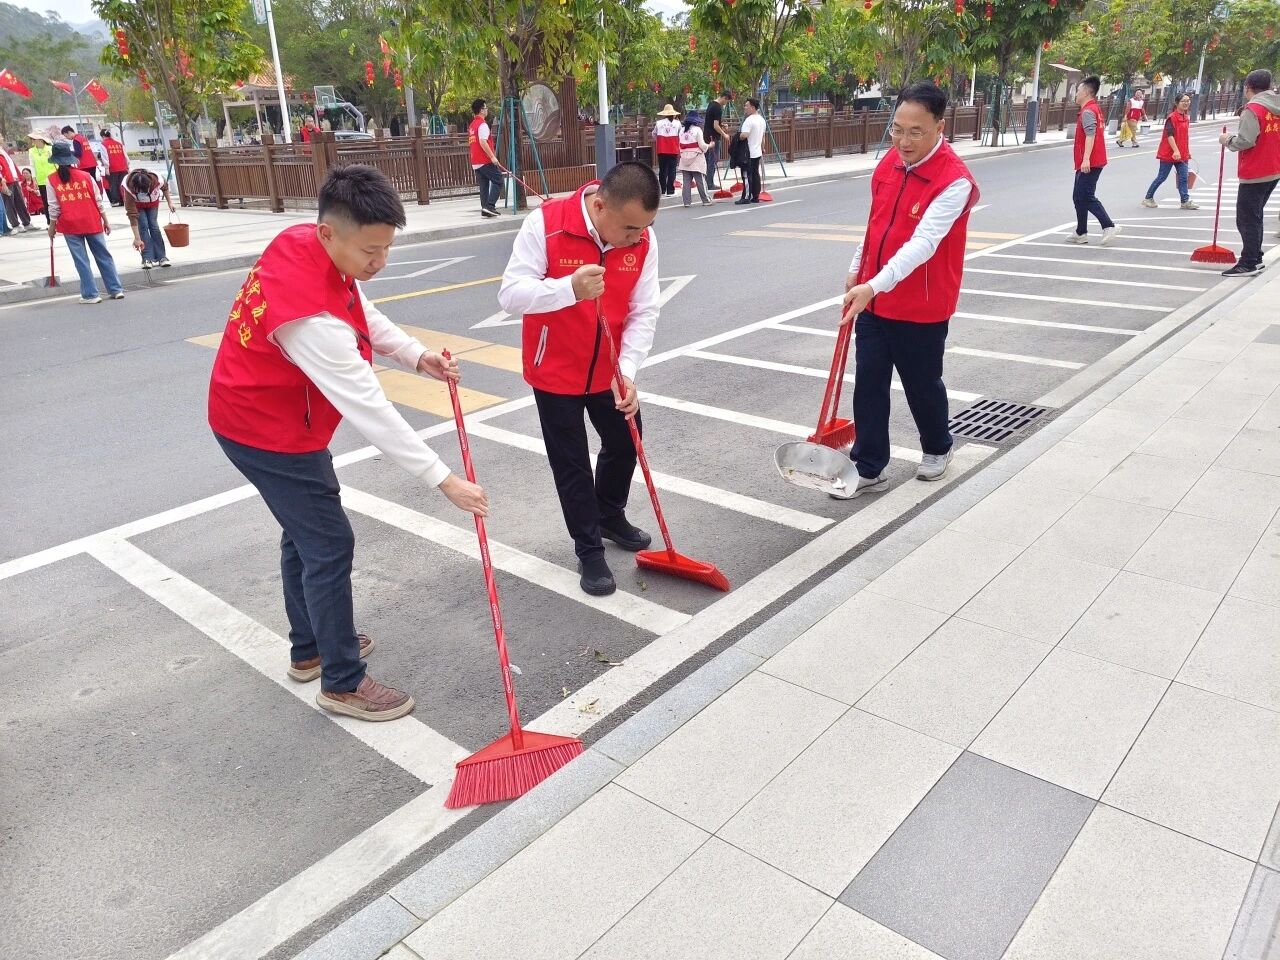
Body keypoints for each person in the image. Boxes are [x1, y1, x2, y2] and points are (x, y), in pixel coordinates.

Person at [207, 164, 489, 721]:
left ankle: (311, 647)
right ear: (331, 232)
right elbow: (372, 409)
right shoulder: (309, 318)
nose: (378, 263)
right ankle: (341, 680)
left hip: (269, 417)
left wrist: (413, 353)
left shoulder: (305, 242)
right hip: (265, 430)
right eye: (370, 252)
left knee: (305, 536)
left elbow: (358, 307)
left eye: (386, 249)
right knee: (328, 544)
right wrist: (445, 480)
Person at [497, 162, 661, 597]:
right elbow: (511, 294)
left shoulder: (643, 238)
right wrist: (567, 288)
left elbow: (645, 309)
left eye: (643, 229)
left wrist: (626, 371)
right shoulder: (546, 225)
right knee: (570, 462)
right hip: (554, 369)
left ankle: (609, 513)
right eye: (628, 228)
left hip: (609, 369)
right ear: (600, 205)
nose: (635, 237)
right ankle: (588, 548)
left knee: (627, 440)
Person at [839, 81, 980, 497]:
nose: (903, 140)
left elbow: (923, 244)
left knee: (922, 382)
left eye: (915, 132)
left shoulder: (954, 181)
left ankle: (938, 446)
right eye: (897, 129)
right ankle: (869, 465)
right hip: (875, 298)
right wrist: (856, 270)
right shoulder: (889, 164)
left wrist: (872, 284)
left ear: (940, 126)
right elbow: (875, 222)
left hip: (922, 303)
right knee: (869, 382)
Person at [45, 140, 124, 304]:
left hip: (70, 225)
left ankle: (91, 295)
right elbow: (98, 200)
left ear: (55, 161)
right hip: (92, 221)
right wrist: (106, 221)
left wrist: (52, 228)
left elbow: (54, 208)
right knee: (104, 256)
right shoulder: (85, 176)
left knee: (81, 261)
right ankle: (116, 290)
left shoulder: (51, 180)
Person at [1219, 69, 1280, 278]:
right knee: (1254, 216)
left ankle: (1248, 262)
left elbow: (1246, 140)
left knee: (1246, 218)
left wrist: (1227, 140)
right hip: (1273, 168)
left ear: (1248, 87)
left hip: (1255, 171)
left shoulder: (1253, 108)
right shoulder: (1276, 107)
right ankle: (1256, 257)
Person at [1066, 76, 1121, 246]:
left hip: (1091, 161)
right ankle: (1081, 232)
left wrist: (1086, 159)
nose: (1076, 94)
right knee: (1078, 196)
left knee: (1086, 196)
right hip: (1090, 160)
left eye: (1078, 90)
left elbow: (1091, 135)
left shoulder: (1088, 111)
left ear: (1086, 92)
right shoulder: (1092, 109)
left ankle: (1108, 226)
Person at [1141, 94, 1198, 210]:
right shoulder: (1172, 118)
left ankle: (1185, 201)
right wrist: (1176, 151)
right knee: (1162, 177)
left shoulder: (1186, 118)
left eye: (1188, 101)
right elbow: (1170, 136)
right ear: (1177, 103)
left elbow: (1184, 137)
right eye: (1183, 101)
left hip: (1182, 154)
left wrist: (1186, 152)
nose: (1186, 103)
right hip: (1169, 153)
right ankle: (1148, 198)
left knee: (1183, 177)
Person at [123, 167, 175, 268]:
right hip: (138, 206)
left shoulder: (157, 180)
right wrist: (137, 238)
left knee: (154, 227)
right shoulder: (128, 187)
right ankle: (147, 258)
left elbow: (165, 187)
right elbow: (131, 214)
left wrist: (170, 203)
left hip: (153, 204)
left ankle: (162, 257)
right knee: (143, 226)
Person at [468, 98, 502, 218]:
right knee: (498, 180)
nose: (487, 110)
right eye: (485, 108)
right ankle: (490, 206)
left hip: (475, 161)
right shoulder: (482, 125)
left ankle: (485, 209)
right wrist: (492, 157)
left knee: (484, 185)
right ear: (482, 110)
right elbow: (483, 142)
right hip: (484, 160)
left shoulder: (472, 125)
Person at [677, 115, 713, 207]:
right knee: (700, 180)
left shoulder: (681, 130)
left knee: (686, 182)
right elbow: (702, 146)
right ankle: (706, 200)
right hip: (696, 158)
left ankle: (686, 202)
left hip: (684, 157)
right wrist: (710, 145)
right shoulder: (697, 130)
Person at [736, 98, 766, 204]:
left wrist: (737, 137)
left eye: (746, 106)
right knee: (755, 174)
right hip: (757, 152)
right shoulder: (762, 120)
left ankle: (746, 197)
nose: (744, 108)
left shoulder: (749, 120)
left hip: (747, 153)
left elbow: (744, 135)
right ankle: (755, 196)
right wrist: (762, 148)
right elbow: (763, 137)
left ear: (753, 107)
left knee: (746, 175)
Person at [0, 142, 33, 232]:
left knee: (20, 202)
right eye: (0, 136)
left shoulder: (3, 150)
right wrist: (2, 182)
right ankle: (15, 225)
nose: (2, 138)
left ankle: (26, 223)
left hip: (14, 179)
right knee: (9, 204)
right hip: (6, 182)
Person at [703, 90, 732, 188]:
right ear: (724, 98)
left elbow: (712, 122)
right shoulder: (718, 107)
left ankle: (706, 182)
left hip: (706, 136)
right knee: (713, 159)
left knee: (707, 159)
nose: (726, 103)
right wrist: (724, 134)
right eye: (727, 101)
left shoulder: (711, 103)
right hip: (714, 137)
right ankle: (710, 183)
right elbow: (715, 126)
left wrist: (722, 124)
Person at [652, 104, 682, 197]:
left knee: (662, 170)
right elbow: (680, 135)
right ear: (673, 114)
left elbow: (654, 134)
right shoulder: (678, 123)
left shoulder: (659, 123)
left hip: (662, 149)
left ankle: (662, 190)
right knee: (672, 170)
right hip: (673, 149)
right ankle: (670, 190)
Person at [28, 131, 54, 219]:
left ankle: (60, 220)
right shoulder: (31, 151)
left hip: (53, 179)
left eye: (34, 139)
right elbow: (32, 166)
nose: (33, 141)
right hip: (42, 180)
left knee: (56, 200)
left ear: (41, 140)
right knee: (46, 201)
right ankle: (49, 222)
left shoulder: (51, 149)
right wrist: (34, 179)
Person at [100, 129, 129, 205]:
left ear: (103, 136)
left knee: (113, 186)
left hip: (112, 169)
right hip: (123, 167)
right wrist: (127, 166)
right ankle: (125, 199)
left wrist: (106, 169)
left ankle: (117, 201)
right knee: (123, 184)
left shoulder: (104, 144)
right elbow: (126, 156)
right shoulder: (119, 144)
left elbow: (105, 158)